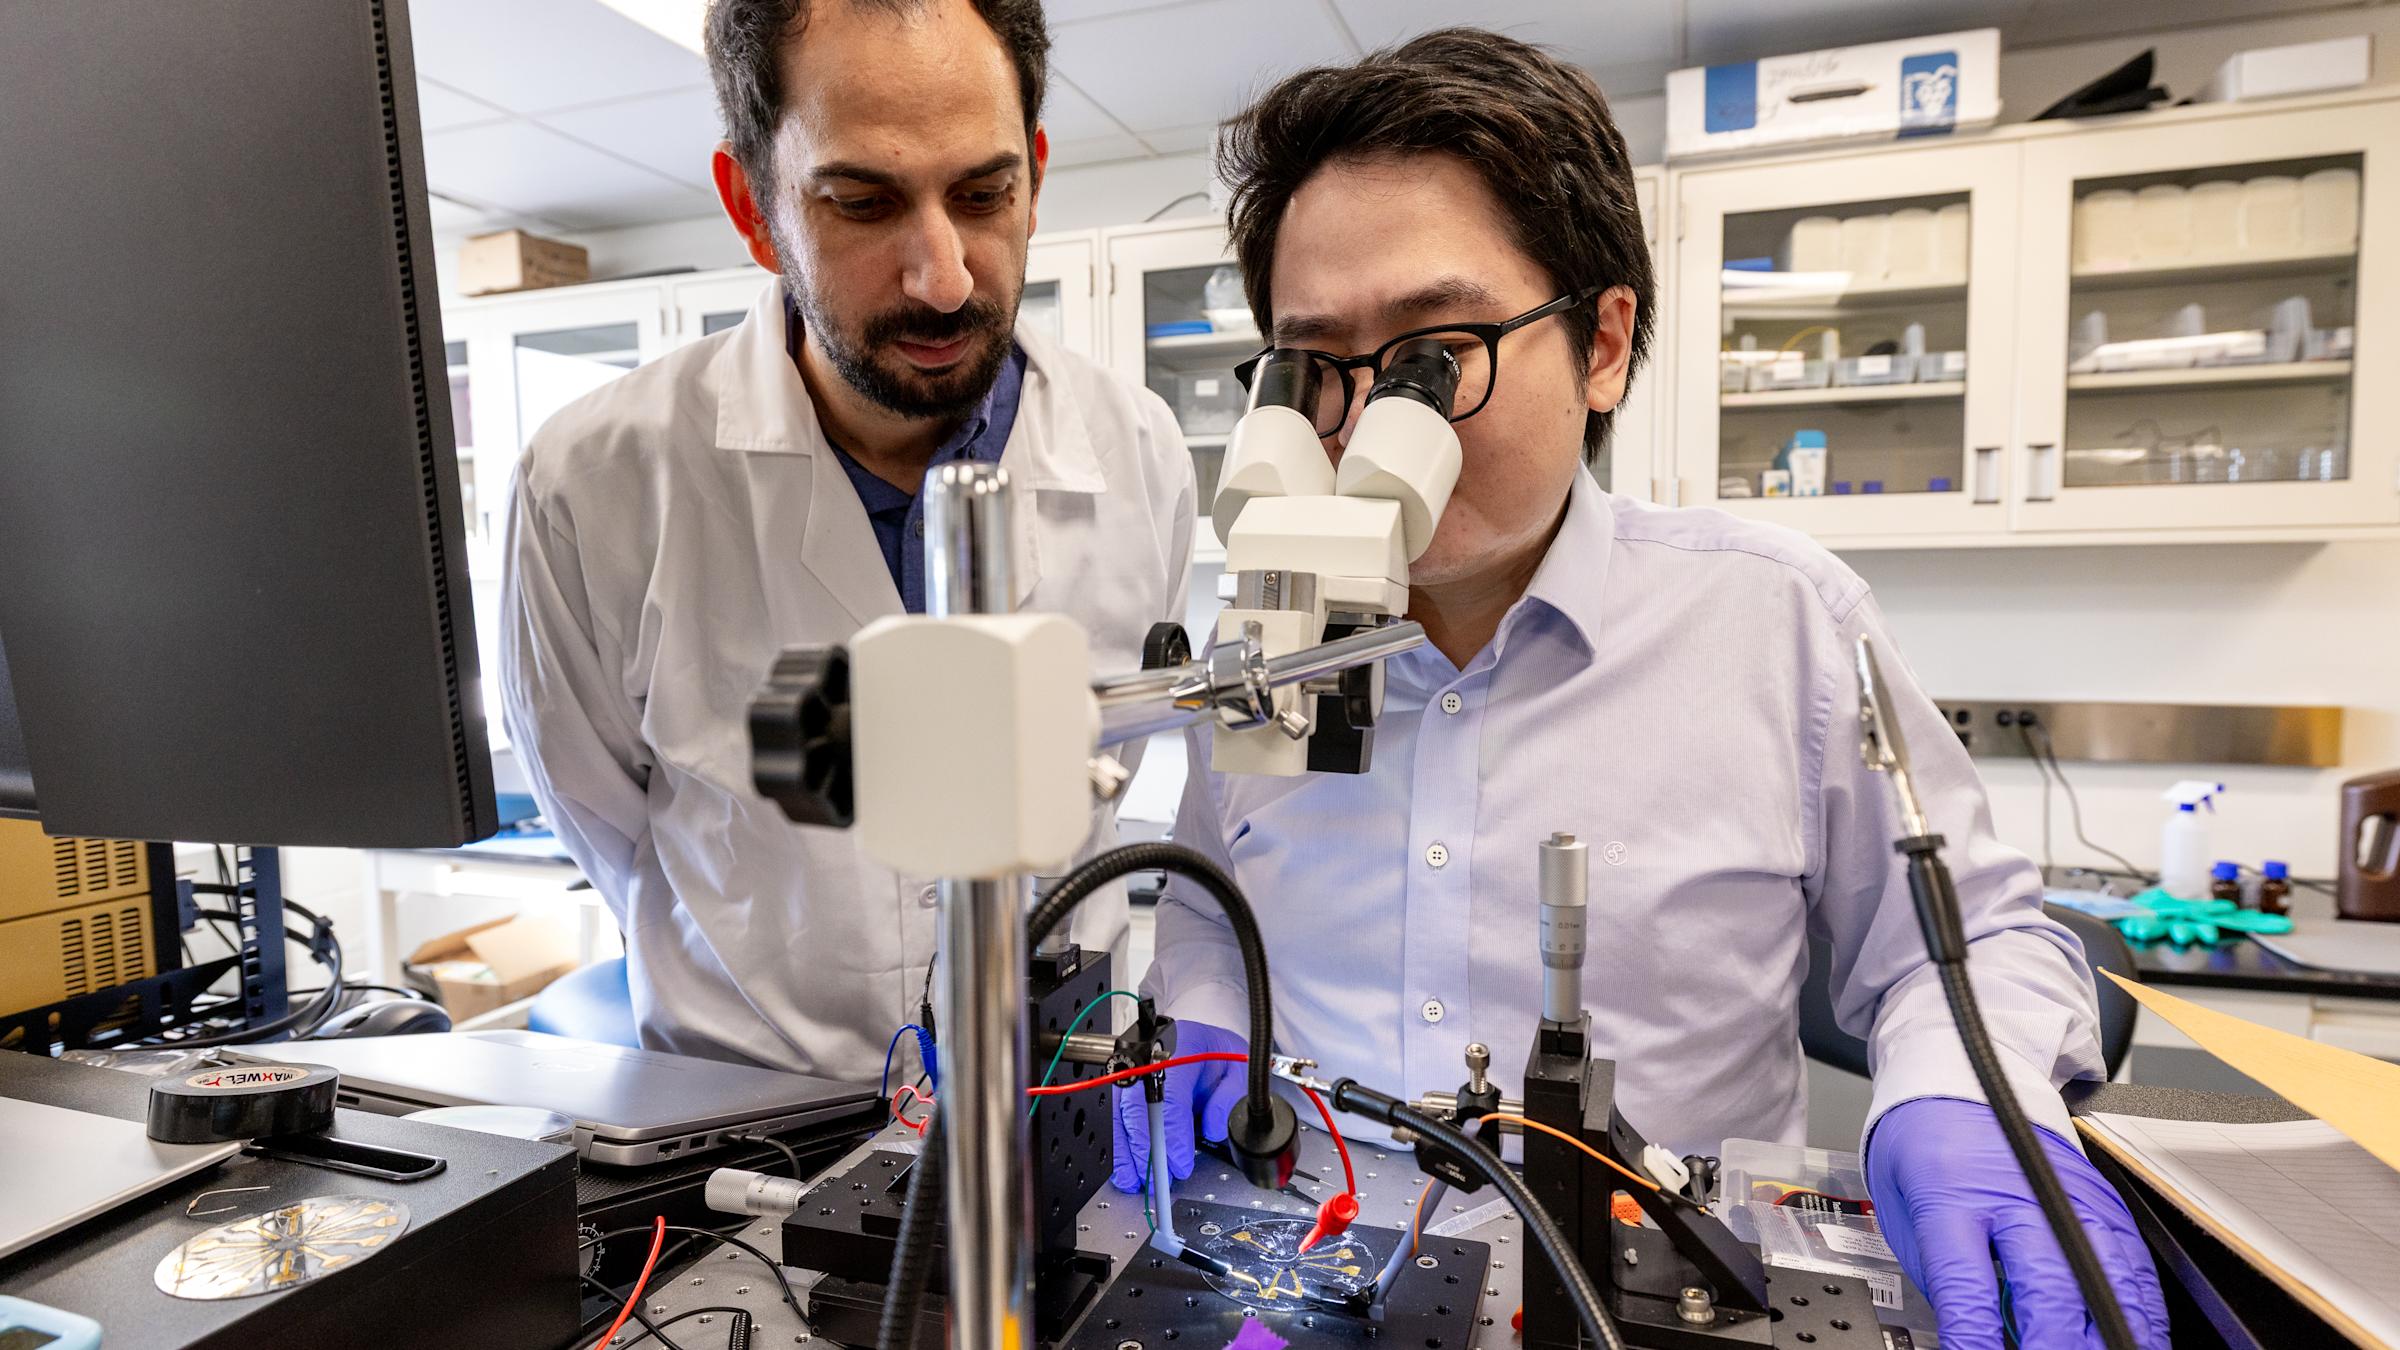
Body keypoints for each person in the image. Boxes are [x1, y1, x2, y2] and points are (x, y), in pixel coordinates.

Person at [1117, 29, 2166, 1350]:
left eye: (1435, 352)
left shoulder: (1778, 621)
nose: (1372, 423)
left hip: (1649, 1305)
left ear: (1604, 342)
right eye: (1318, 365)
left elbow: (1981, 949)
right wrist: (1203, 1007)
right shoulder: (1268, 633)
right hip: (1312, 1292)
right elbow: (1214, 901)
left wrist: (1960, 1095)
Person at [501, 0, 1194, 1083]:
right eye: (862, 202)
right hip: (740, 1125)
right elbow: (604, 820)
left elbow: (1114, 759)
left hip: (1049, 1112)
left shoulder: (1140, 451)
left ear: (1038, 178)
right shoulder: (594, 485)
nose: (944, 275)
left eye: (984, 194)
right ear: (752, 208)